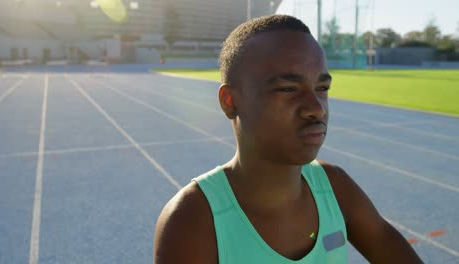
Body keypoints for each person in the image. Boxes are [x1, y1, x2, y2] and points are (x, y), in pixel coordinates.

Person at [153, 15, 422, 263]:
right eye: (288, 89)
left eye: (322, 88)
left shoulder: (336, 188)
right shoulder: (192, 220)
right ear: (230, 101)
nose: (316, 108)